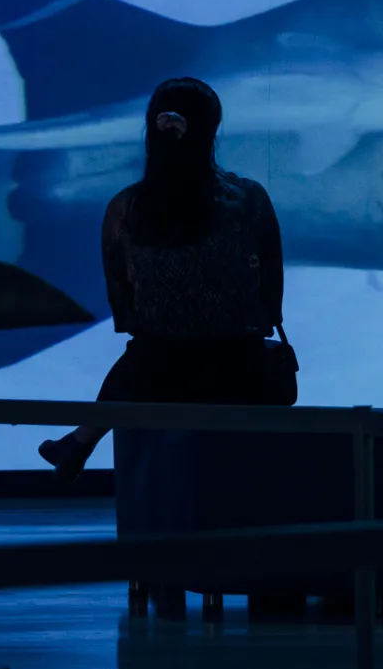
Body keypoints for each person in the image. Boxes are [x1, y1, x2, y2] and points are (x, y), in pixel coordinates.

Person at [38, 78, 289, 482]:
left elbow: (121, 296)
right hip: (239, 362)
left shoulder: (125, 207)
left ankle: (81, 441)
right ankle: (79, 441)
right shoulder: (248, 198)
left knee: (145, 359)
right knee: (164, 358)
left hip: (157, 365)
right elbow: (271, 283)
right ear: (213, 129)